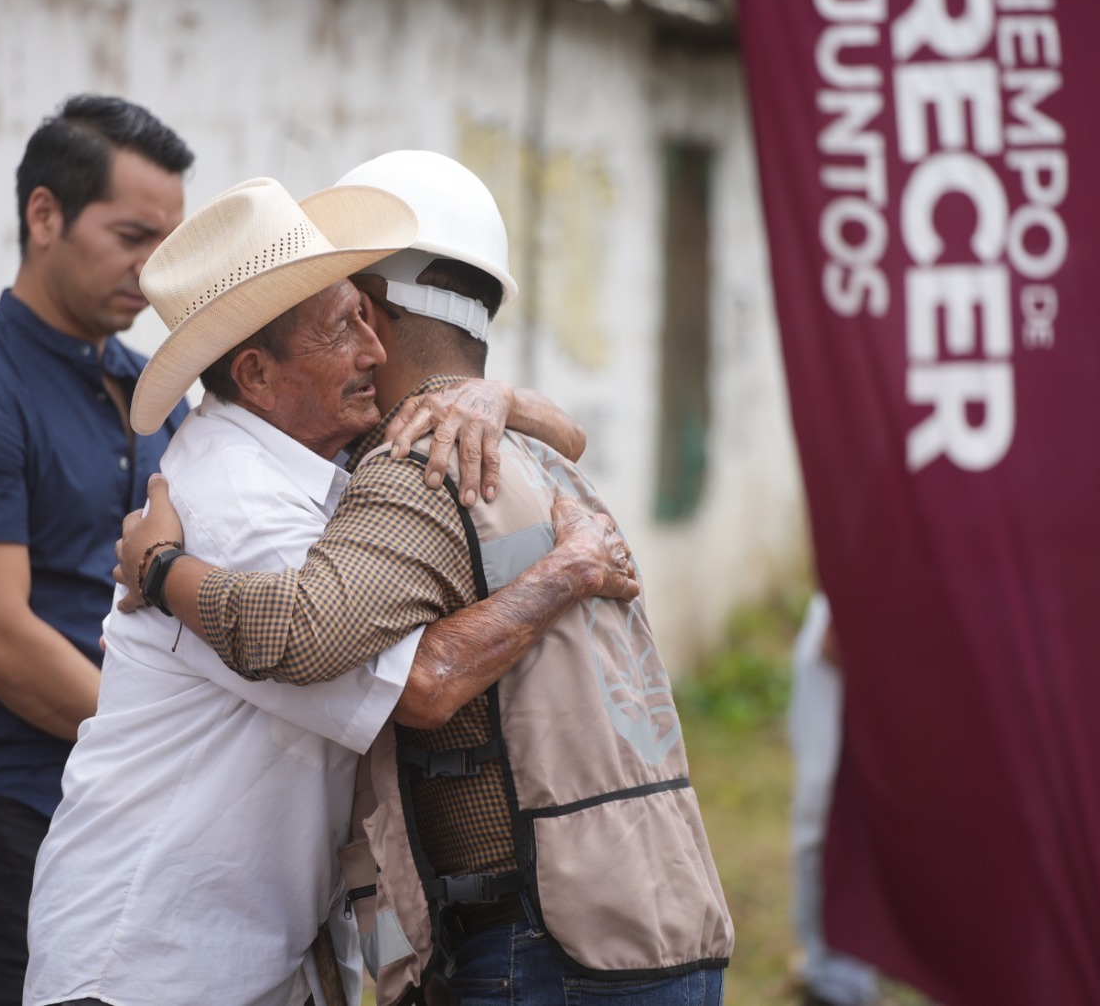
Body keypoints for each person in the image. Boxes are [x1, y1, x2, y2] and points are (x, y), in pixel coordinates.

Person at [121, 151, 735, 1005]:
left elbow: (332, 647)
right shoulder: (539, 458)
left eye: (353, 315)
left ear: (372, 307)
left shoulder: (420, 463)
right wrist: (503, 404)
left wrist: (158, 569)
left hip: (546, 942)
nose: (363, 345)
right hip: (658, 916)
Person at [0, 95, 195, 1005]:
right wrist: (158, 748)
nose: (155, 272)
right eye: (133, 236)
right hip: (8, 809)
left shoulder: (153, 389)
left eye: (170, 245)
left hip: (126, 806)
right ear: (43, 216)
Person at [788, 593, 878, 1006]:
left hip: (856, 654)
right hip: (842, 650)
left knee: (836, 829)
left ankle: (840, 977)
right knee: (825, 823)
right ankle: (830, 971)